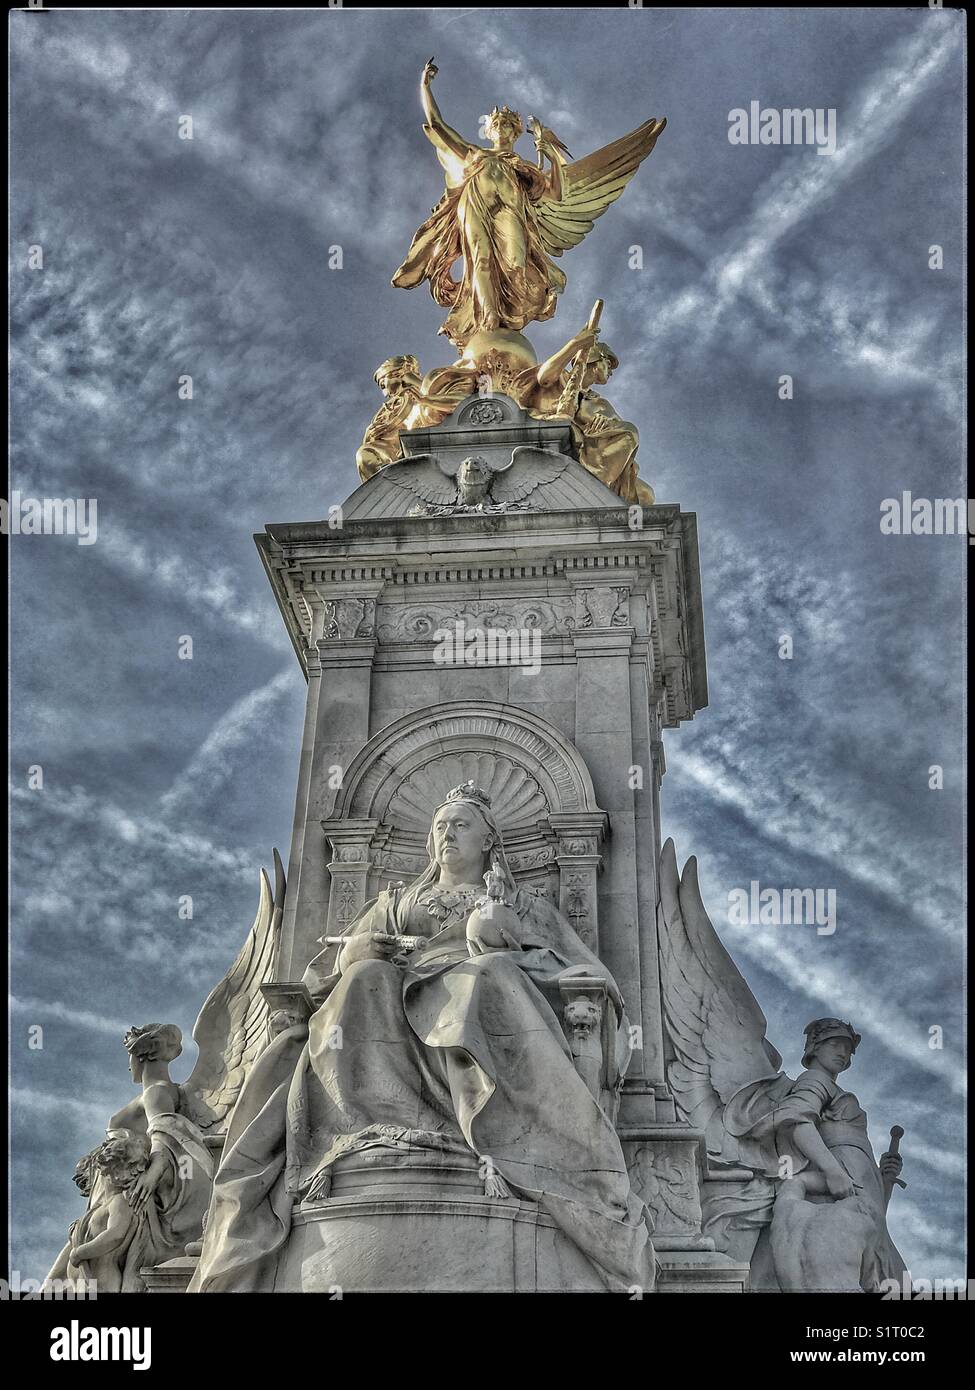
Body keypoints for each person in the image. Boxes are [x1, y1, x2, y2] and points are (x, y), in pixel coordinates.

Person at [191, 780, 654, 1291]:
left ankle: (490, 1129)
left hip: (479, 987)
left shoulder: (521, 904)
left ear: (487, 842)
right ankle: (369, 1128)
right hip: (397, 992)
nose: (447, 834)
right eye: (440, 827)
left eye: (461, 825)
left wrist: (505, 938)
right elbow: (335, 963)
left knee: (480, 982)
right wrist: (361, 949)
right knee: (363, 981)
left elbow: (586, 972)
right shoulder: (398, 902)